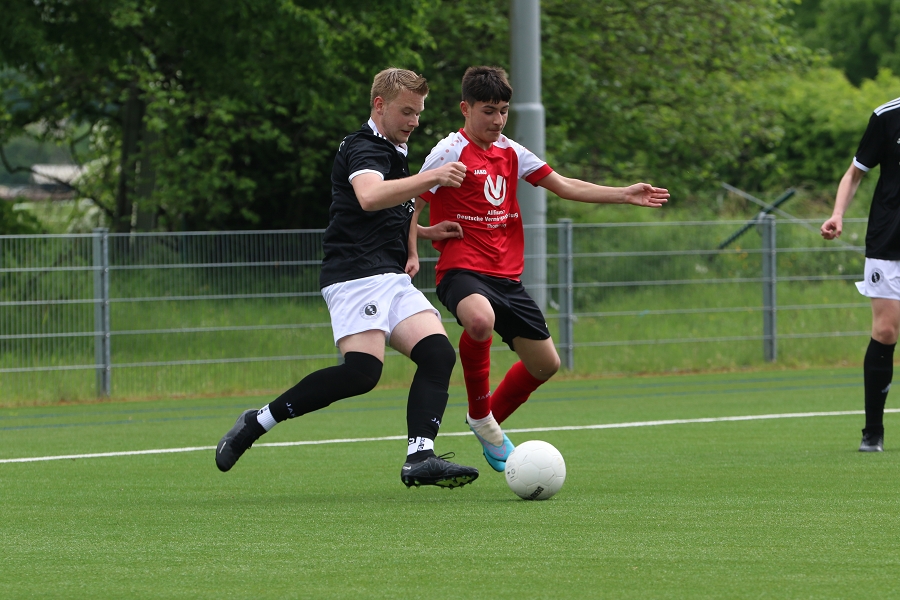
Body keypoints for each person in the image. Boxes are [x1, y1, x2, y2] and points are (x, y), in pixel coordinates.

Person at [215, 68, 480, 488]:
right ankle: (257, 421)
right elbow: (370, 196)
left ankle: (420, 457)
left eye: (419, 113)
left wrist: (422, 235)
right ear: (379, 105)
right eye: (406, 112)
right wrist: (433, 176)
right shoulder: (363, 146)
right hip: (356, 273)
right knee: (361, 373)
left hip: (390, 274)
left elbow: (390, 208)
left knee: (438, 354)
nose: (414, 121)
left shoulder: (395, 148)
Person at [412, 66, 669, 472]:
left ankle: (487, 423)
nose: (497, 120)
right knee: (479, 320)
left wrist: (624, 194)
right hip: (461, 270)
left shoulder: (512, 152)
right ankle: (481, 416)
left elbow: (564, 185)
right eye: (488, 111)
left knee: (546, 365)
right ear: (466, 109)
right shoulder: (449, 151)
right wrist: (417, 242)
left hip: (507, 278)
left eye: (503, 111)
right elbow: (410, 202)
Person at [820, 95, 900, 453]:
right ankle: (873, 432)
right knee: (885, 331)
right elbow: (855, 174)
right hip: (889, 238)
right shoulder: (887, 116)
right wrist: (838, 214)